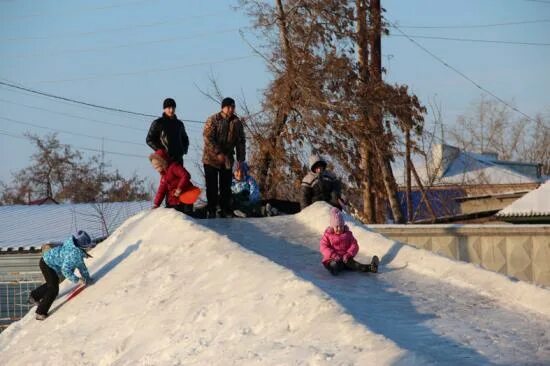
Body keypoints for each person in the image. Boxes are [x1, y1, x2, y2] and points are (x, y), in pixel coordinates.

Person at [29, 230, 94, 320]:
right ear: (82, 246)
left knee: (52, 283)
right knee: (54, 289)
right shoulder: (74, 254)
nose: (89, 248)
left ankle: (34, 296)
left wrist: (87, 278)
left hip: (46, 261)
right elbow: (65, 270)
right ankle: (40, 313)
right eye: (88, 246)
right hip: (47, 264)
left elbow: (81, 266)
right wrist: (77, 280)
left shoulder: (75, 250)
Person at [202, 97, 246, 218]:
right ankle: (211, 209)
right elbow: (207, 138)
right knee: (212, 186)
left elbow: (241, 141)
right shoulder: (213, 119)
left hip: (227, 158)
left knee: (226, 185)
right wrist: (218, 152)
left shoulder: (236, 122)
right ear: (223, 108)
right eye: (229, 107)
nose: (231, 109)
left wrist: (240, 160)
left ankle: (225, 209)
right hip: (210, 158)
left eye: (233, 107)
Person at [320, 208, 379, 276]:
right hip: (332, 259)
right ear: (332, 227)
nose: (339, 229)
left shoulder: (348, 234)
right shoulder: (328, 235)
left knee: (356, 265)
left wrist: (348, 254)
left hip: (346, 259)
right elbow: (323, 247)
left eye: (341, 226)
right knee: (334, 264)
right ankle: (334, 268)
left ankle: (370, 268)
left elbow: (354, 245)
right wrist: (333, 255)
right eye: (337, 227)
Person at [146, 98, 189, 165]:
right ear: (164, 109)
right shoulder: (158, 123)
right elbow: (149, 139)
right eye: (169, 108)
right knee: (168, 176)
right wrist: (161, 151)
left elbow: (185, 139)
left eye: (173, 108)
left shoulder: (179, 124)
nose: (171, 110)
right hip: (165, 160)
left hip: (178, 160)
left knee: (184, 175)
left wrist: (183, 151)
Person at [150, 149, 193, 214]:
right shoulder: (164, 175)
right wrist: (156, 204)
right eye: (155, 168)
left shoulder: (174, 167)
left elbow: (185, 175)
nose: (157, 170)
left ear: (162, 163)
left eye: (157, 167)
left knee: (187, 217)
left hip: (186, 196)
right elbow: (161, 190)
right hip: (175, 199)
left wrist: (179, 188)